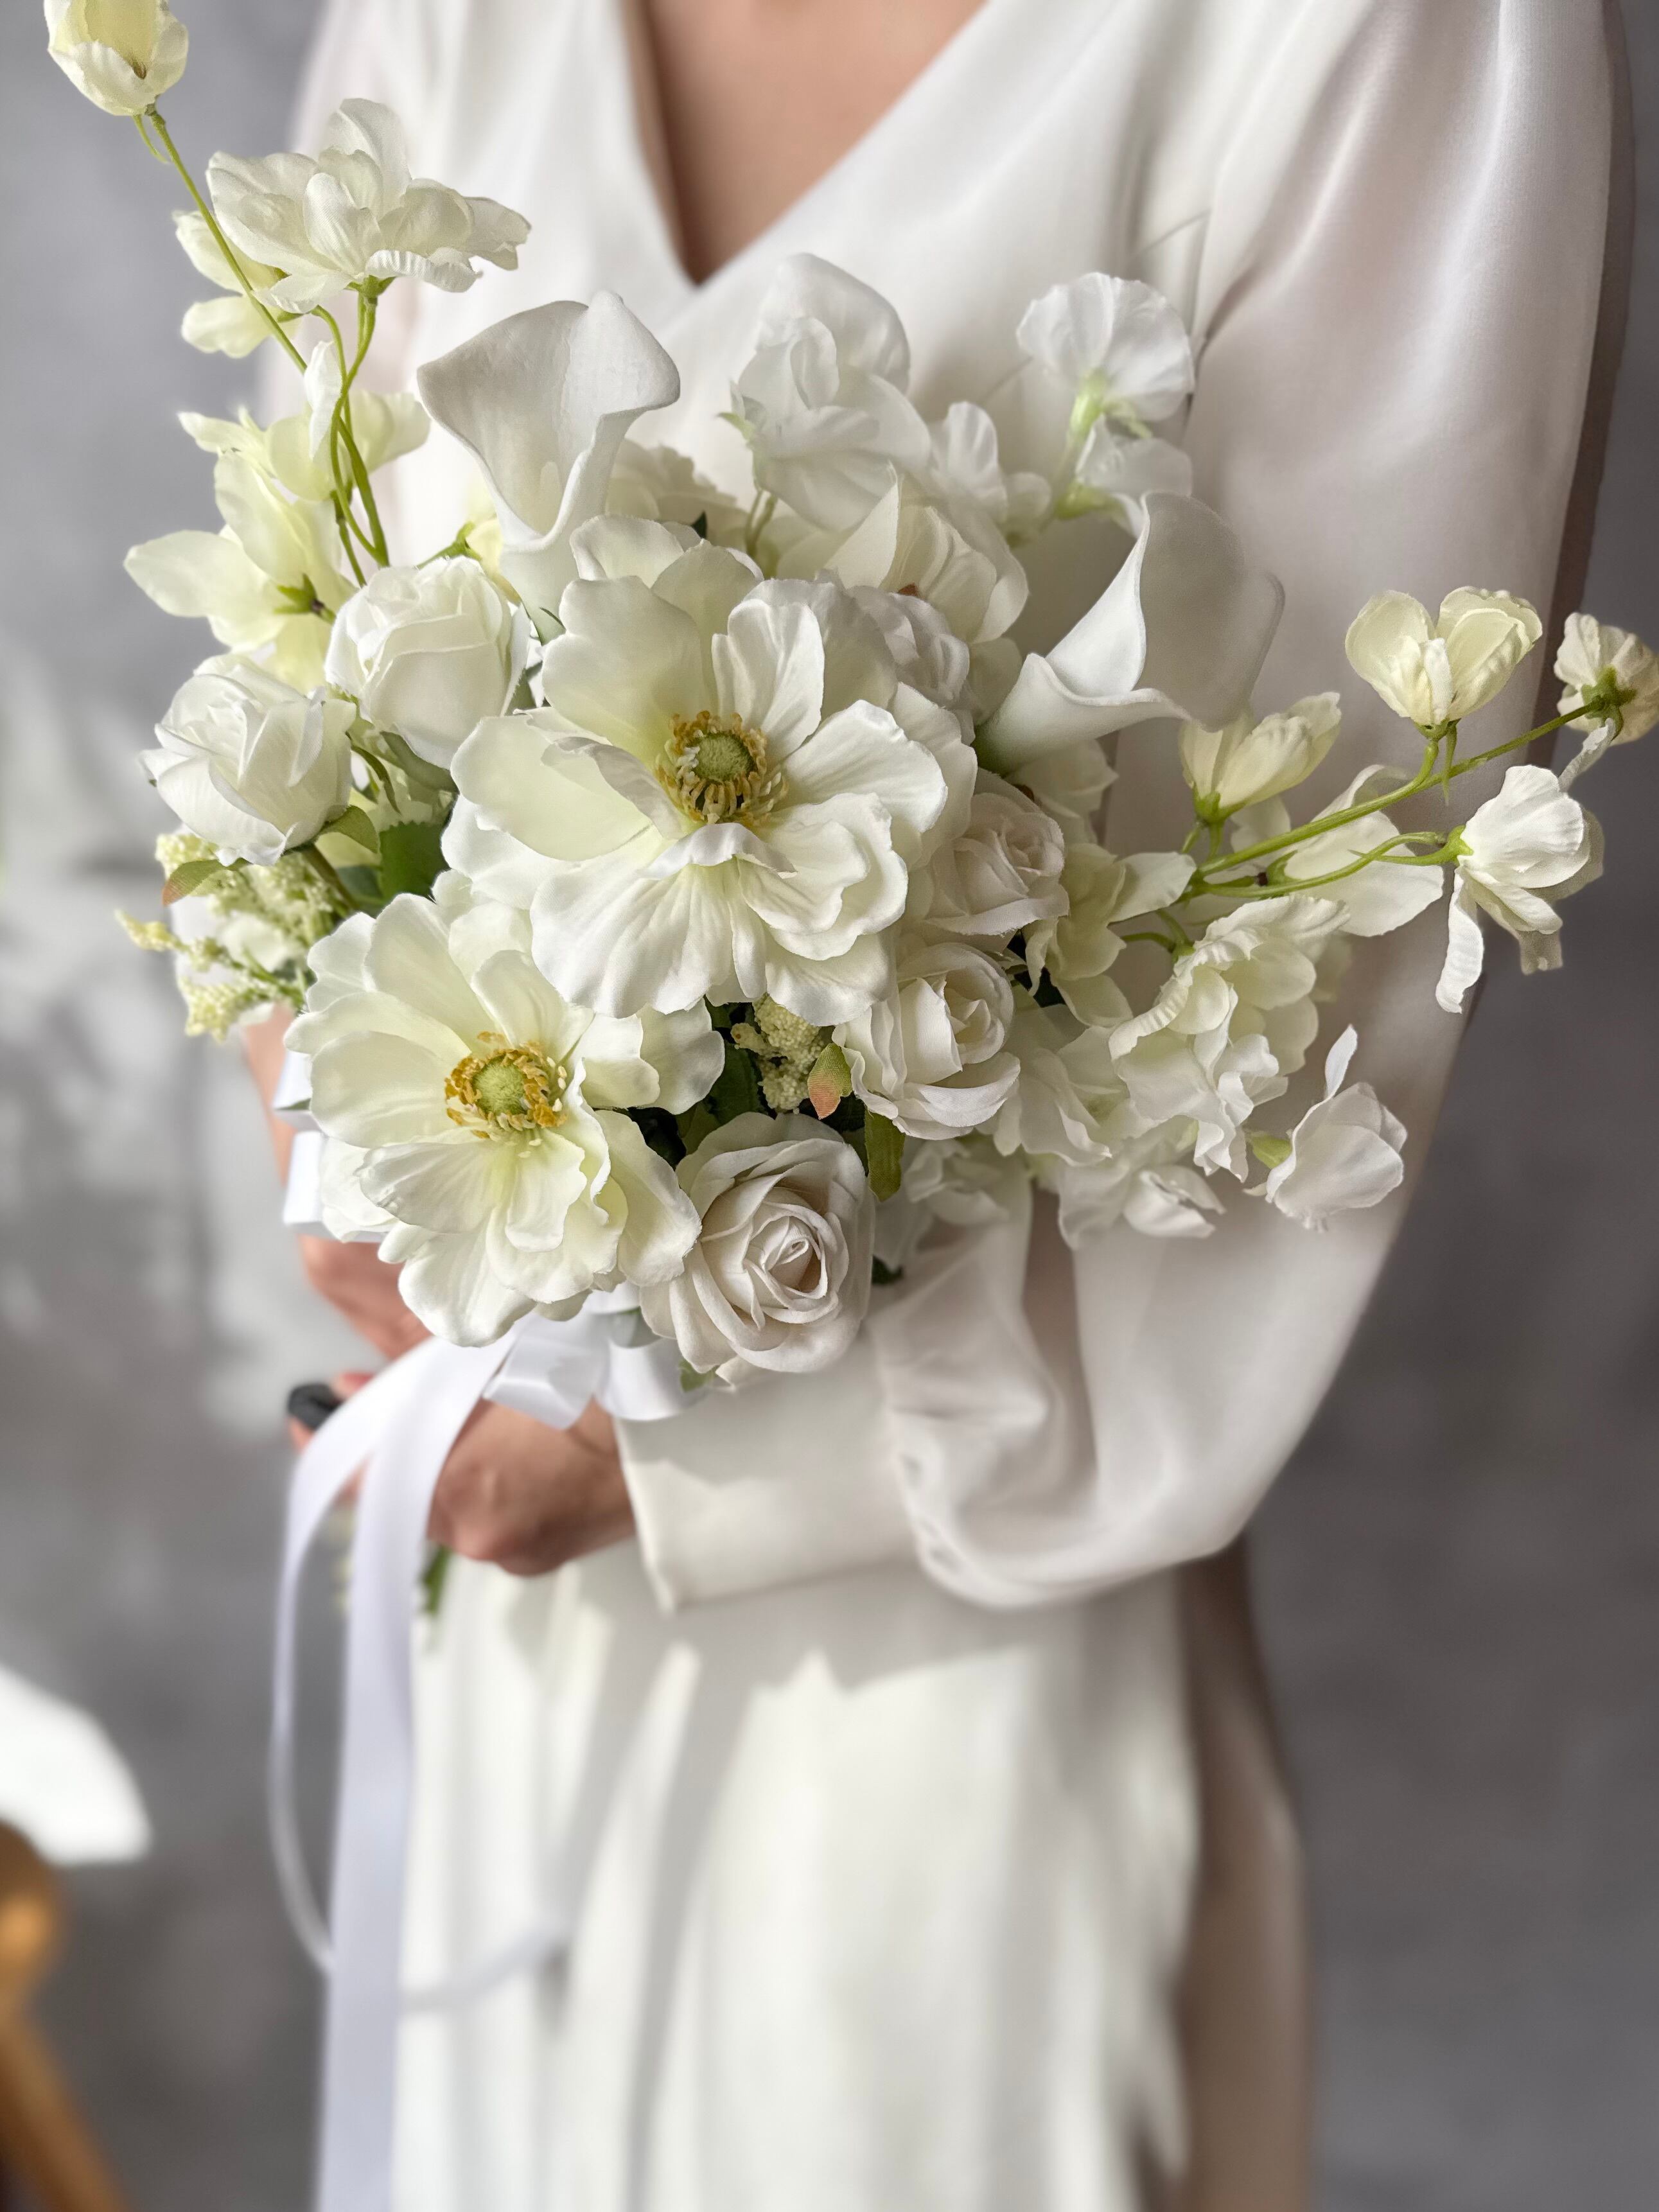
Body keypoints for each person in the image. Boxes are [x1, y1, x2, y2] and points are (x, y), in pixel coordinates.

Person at [252, 1, 1619, 2204]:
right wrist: (345, 1109)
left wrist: (673, 1451)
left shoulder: (1396, 38)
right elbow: (296, 642)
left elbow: (1302, 1001)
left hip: (940, 1741)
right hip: (501, 1648)